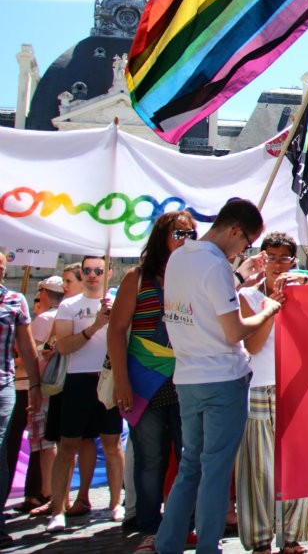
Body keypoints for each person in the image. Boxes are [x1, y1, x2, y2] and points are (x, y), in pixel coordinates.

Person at [154, 198, 280, 554]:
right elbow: (234, 331)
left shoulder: (180, 256)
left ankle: (168, 543)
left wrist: (239, 278)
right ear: (236, 231)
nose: (244, 250)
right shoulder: (215, 266)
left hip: (188, 377)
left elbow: (202, 303)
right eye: (247, 243)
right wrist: (268, 309)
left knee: (191, 464)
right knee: (215, 469)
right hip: (222, 376)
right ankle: (209, 546)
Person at [105, 211, 194, 549]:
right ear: (162, 235)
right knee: (150, 457)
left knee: (189, 455)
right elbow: (116, 329)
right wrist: (122, 381)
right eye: (179, 233)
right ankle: (147, 525)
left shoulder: (193, 275)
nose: (186, 239)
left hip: (186, 377)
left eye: (191, 234)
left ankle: (185, 522)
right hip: (144, 380)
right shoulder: (137, 277)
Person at [236, 232, 308, 554]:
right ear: (262, 259)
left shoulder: (305, 291)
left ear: (292, 260)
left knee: (301, 465)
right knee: (259, 470)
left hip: (299, 388)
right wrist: (271, 308)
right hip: (260, 385)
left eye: (283, 258)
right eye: (270, 257)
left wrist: (304, 278)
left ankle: (292, 536)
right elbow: (253, 345)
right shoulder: (247, 296)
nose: (276, 264)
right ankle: (260, 540)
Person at [46, 255, 124, 532]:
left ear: (108, 273)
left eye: (98, 270)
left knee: (112, 444)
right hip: (77, 380)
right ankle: (58, 510)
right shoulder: (68, 305)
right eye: (87, 270)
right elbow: (64, 346)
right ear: (81, 273)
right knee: (67, 446)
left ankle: (116, 504)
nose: (92, 275)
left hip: (108, 379)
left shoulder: (119, 301)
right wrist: (95, 326)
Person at [0, 250, 43, 548]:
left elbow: (27, 348)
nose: (0, 272)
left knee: (1, 449)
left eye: (2, 268)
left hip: (3, 386)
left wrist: (35, 386)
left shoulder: (15, 301)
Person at [17, 276, 62, 515]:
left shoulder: (44, 319)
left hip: (40, 385)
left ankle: (47, 492)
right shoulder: (60, 315)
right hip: (56, 385)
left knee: (45, 443)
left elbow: (28, 356)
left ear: (45, 293)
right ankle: (48, 493)